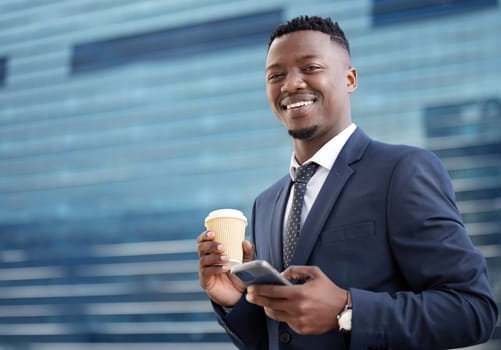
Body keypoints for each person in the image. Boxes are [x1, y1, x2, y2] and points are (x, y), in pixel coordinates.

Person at [197, 15, 498, 350]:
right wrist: (232, 301)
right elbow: (278, 338)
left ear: (350, 79)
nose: (290, 84)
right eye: (276, 75)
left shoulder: (402, 171)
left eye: (310, 67)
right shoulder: (267, 202)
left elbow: (473, 311)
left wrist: (346, 309)